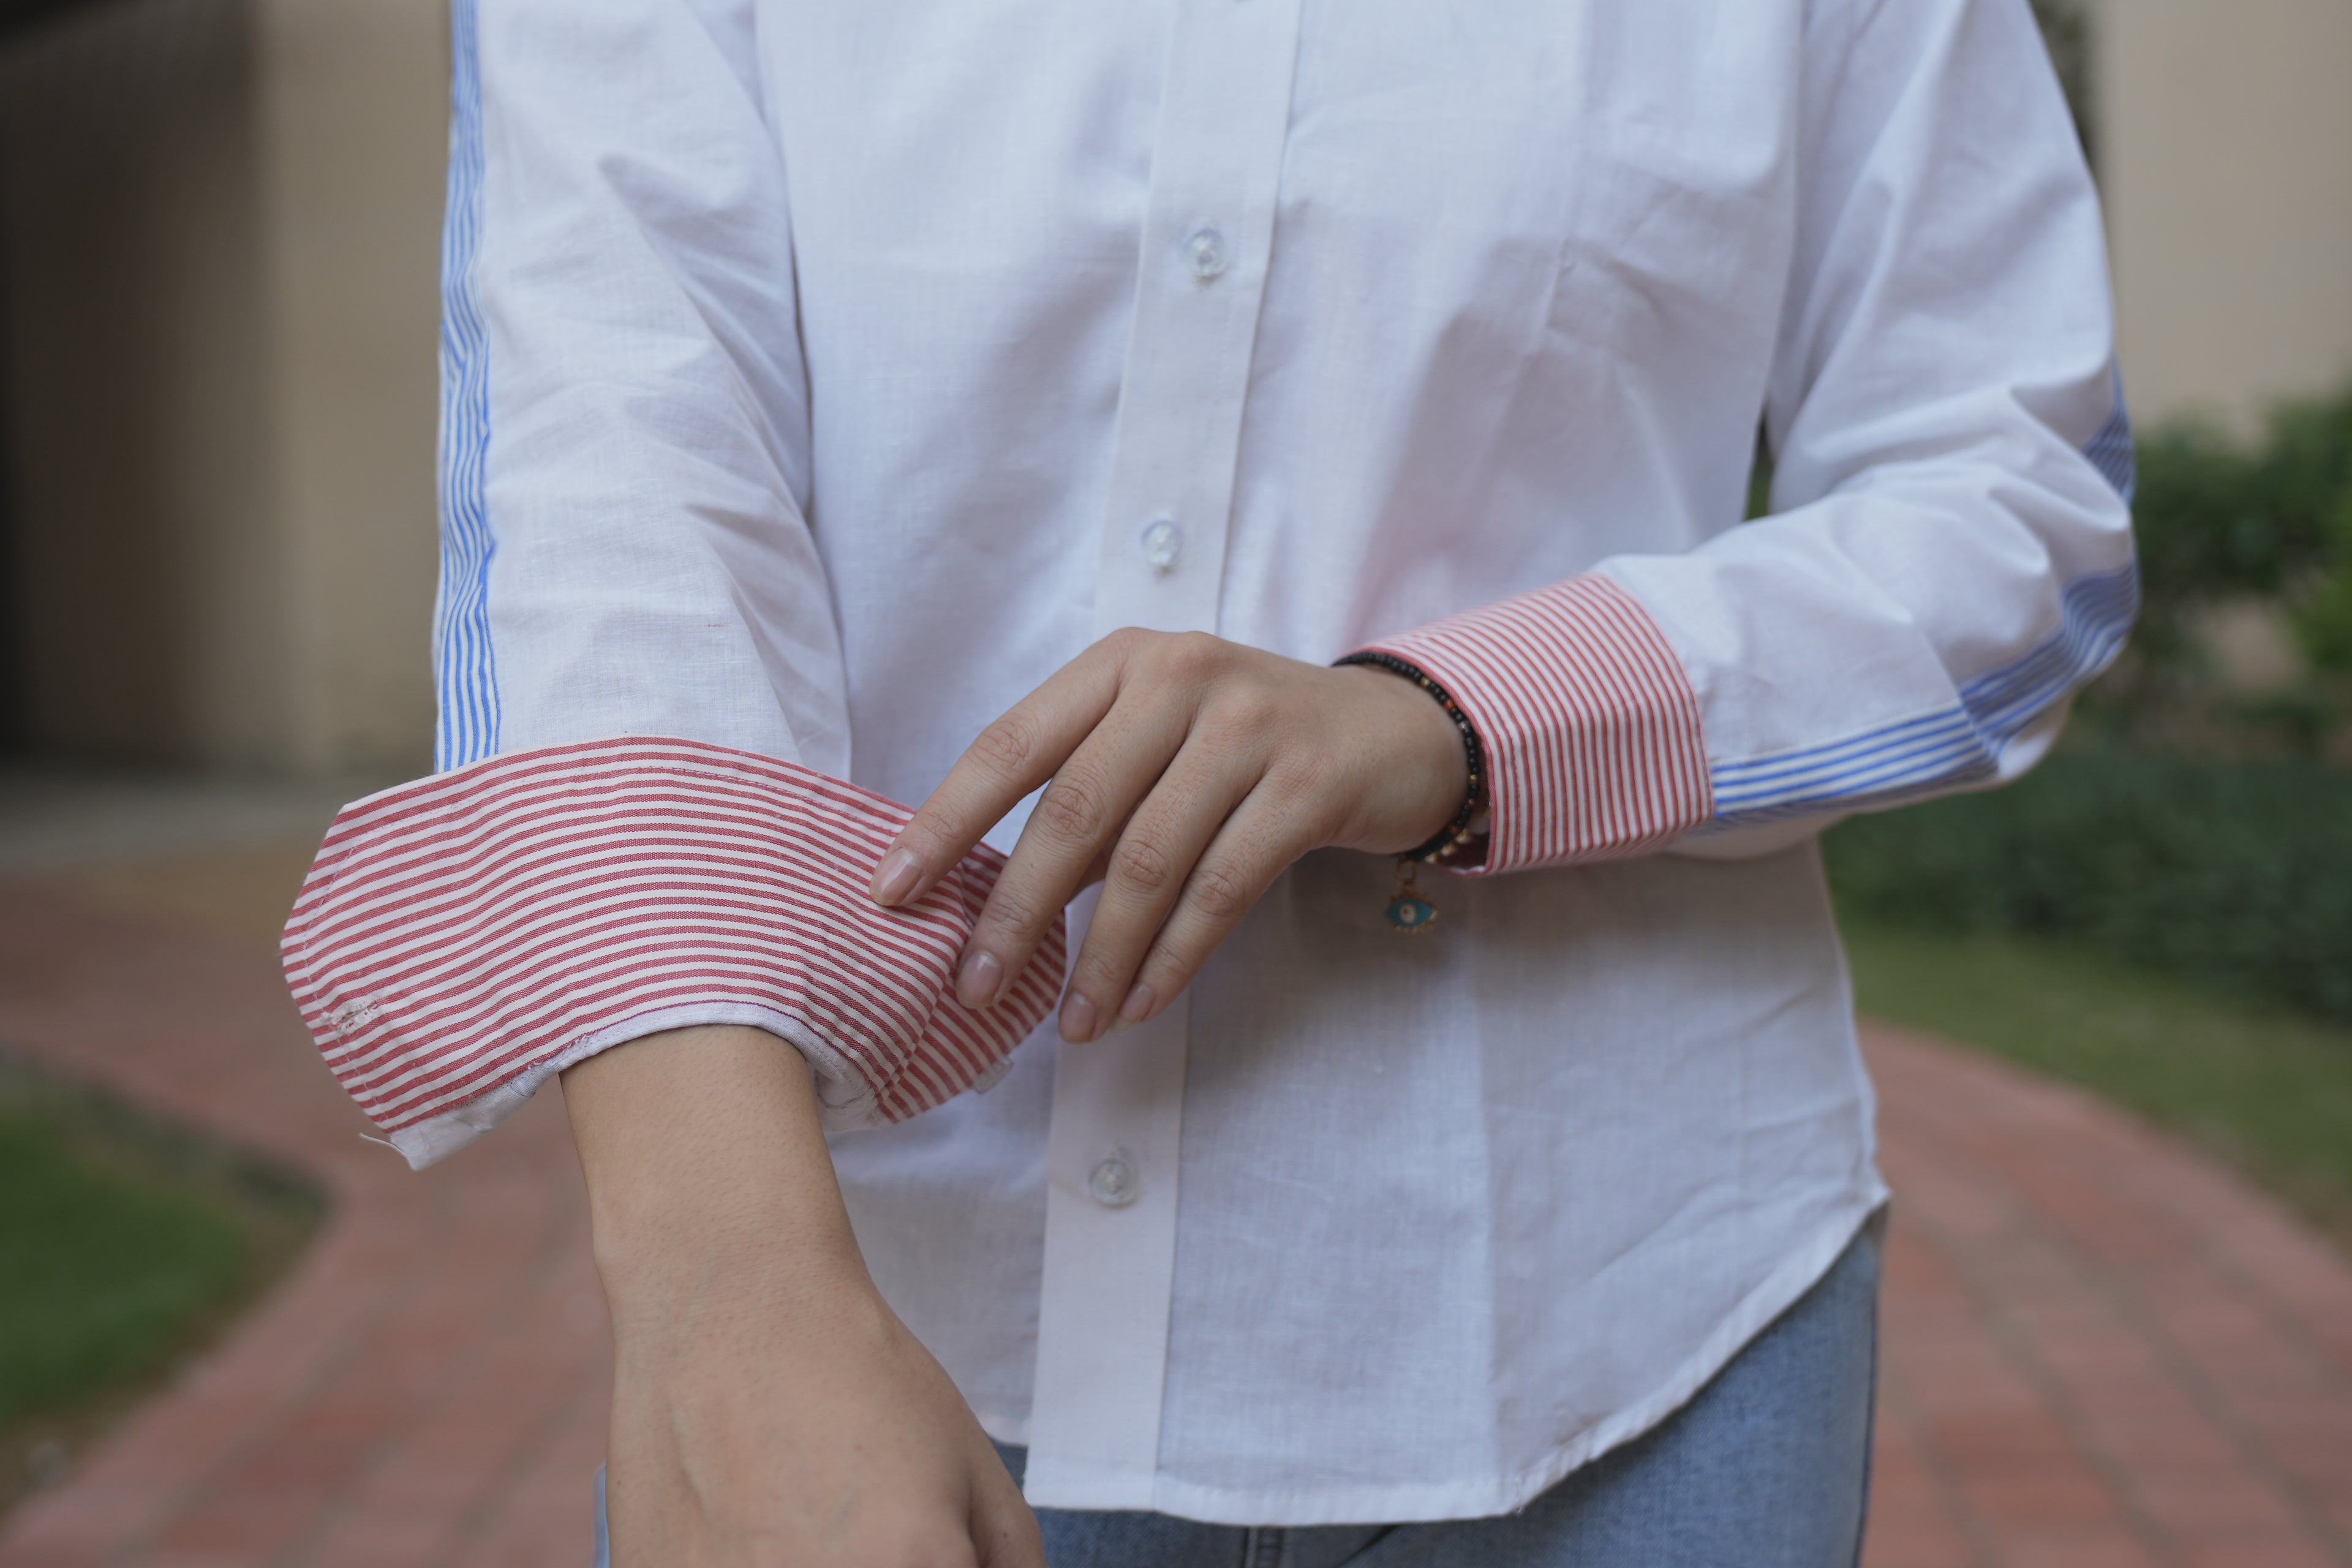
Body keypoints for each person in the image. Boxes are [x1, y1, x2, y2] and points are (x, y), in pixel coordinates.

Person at [279, 0, 2135, 1562]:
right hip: (877, 1332)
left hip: (1638, 1317)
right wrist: (722, 1289)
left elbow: (2013, 507)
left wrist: (1456, 719)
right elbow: (613, 502)